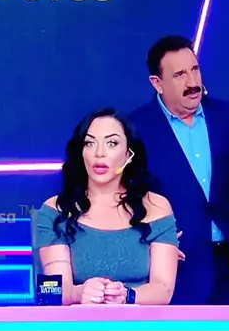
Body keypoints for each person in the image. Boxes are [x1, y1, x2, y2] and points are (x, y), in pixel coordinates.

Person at [127, 36, 229, 305]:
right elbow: (123, 196)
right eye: (179, 75)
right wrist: (147, 244)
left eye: (195, 69)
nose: (192, 82)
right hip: (175, 274)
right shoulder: (134, 129)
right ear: (157, 83)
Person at [35, 108, 179, 304]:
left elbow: (163, 289)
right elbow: (51, 291)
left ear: (129, 154)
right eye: (90, 143)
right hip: (77, 321)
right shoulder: (56, 211)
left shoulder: (156, 208)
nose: (99, 153)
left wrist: (127, 295)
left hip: (139, 321)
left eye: (112, 143)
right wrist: (78, 293)